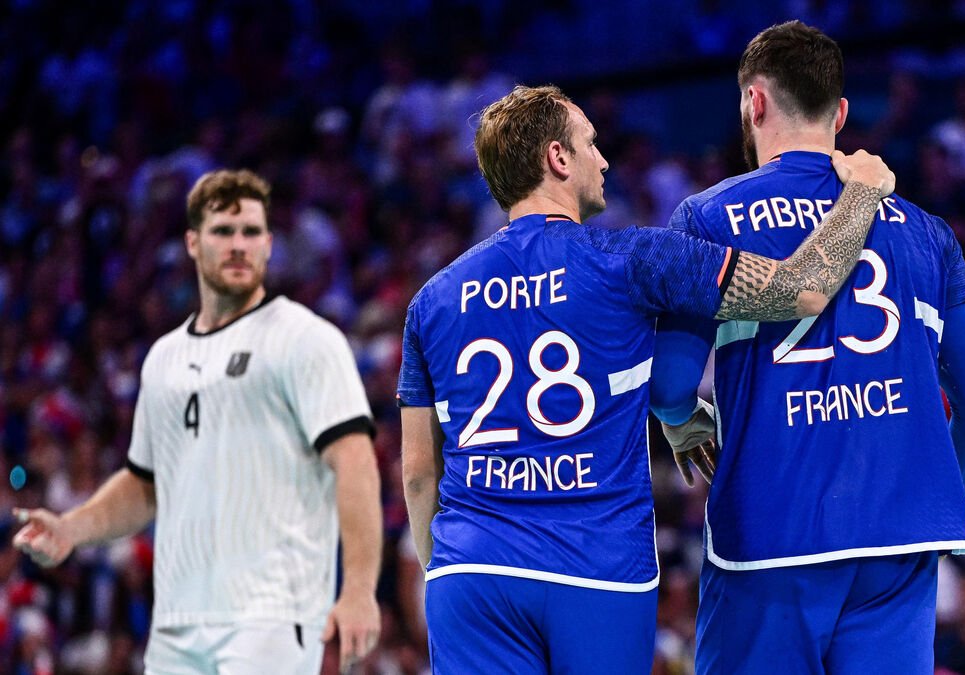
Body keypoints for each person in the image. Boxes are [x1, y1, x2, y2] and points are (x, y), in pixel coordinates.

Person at [397, 84, 895, 674]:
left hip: (471, 570)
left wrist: (447, 572)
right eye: (591, 144)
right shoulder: (632, 260)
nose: (603, 160)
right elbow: (804, 289)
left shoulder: (431, 301)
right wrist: (860, 194)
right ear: (558, 158)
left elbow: (420, 474)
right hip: (595, 566)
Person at [648, 21, 965, 673]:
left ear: (753, 103)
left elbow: (670, 384)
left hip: (771, 536)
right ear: (840, 113)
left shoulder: (710, 217)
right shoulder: (926, 232)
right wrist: (931, 491)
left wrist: (680, 421)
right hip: (898, 546)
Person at [12, 169, 383, 675]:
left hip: (271, 620)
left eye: (251, 232)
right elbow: (145, 483)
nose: (238, 245)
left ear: (270, 244)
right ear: (192, 242)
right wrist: (71, 529)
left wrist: (359, 588)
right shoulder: (164, 358)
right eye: (223, 232)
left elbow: (356, 463)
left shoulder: (306, 340)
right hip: (176, 628)